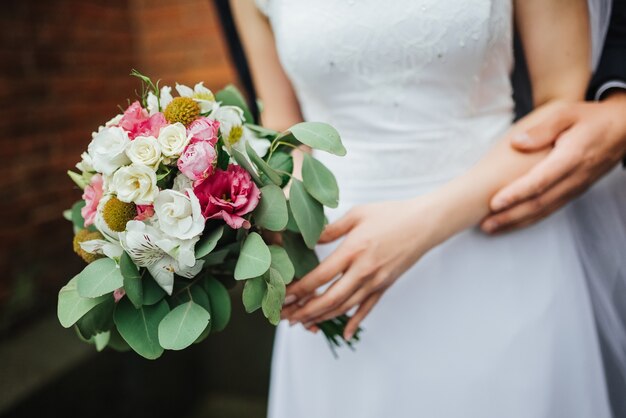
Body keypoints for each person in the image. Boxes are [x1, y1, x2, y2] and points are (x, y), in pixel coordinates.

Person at [231, 1, 616, 417]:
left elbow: (561, 108)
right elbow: (283, 131)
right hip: (339, 271)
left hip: (498, 236)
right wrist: (265, 211)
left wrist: (420, 227)